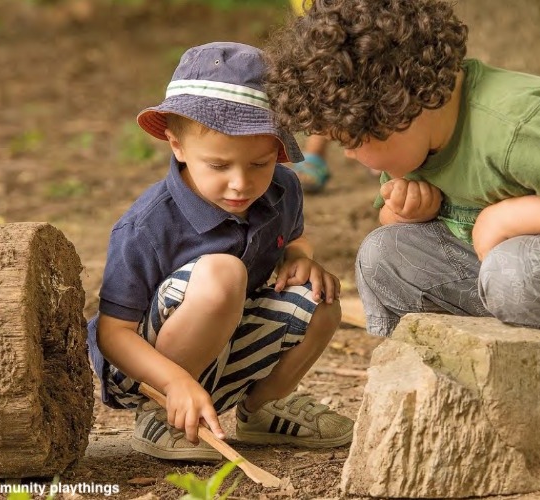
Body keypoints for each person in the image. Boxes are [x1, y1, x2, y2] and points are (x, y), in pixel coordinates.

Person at [263, 0, 540, 472]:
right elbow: (400, 234)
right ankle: (466, 398)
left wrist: (506, 217)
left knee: (516, 268)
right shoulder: (411, 141)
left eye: (352, 139)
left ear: (401, 104)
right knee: (383, 255)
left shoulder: (513, 122)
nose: (349, 155)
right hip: (531, 276)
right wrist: (415, 210)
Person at [86, 41, 353, 462]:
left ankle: (260, 408)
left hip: (228, 347)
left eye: (259, 164)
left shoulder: (283, 189)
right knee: (222, 274)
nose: (240, 184)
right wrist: (172, 383)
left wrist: (300, 257)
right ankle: (160, 415)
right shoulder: (149, 225)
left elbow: (294, 236)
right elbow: (113, 334)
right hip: (146, 369)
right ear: (177, 146)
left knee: (323, 301)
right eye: (218, 166)